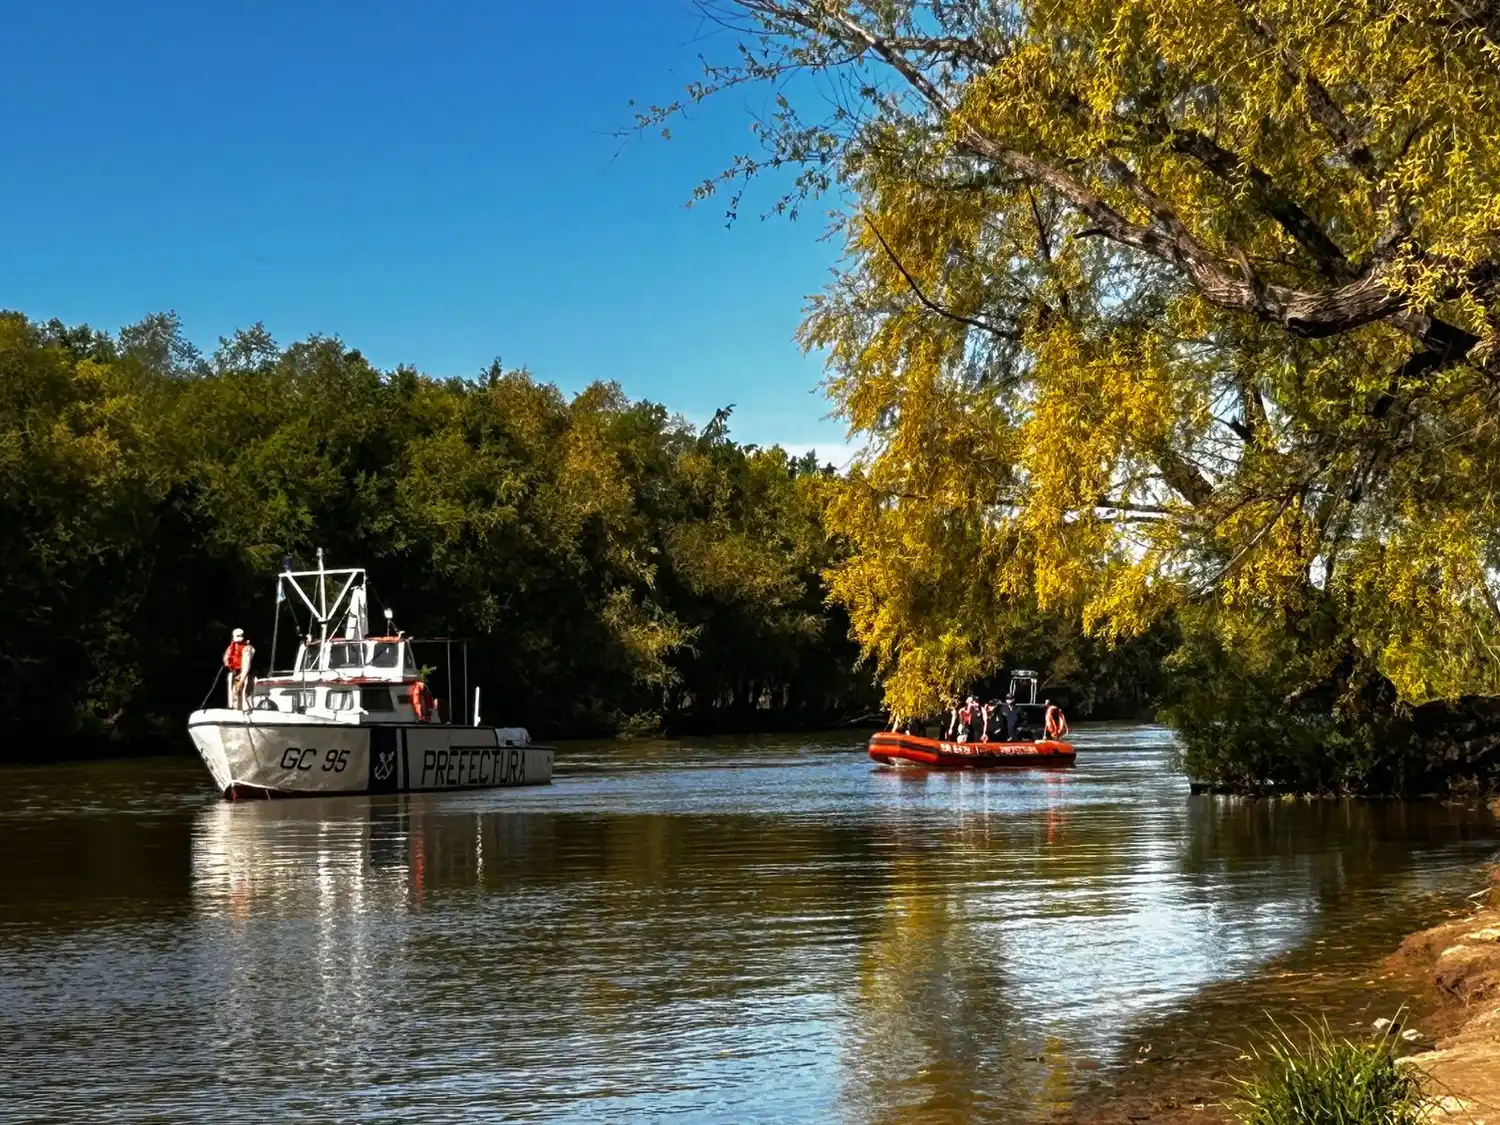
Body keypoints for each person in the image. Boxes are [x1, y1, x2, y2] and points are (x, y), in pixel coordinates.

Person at [223, 629, 247, 708]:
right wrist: (230, 667)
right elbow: (227, 658)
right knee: (235, 689)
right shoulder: (232, 646)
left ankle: (242, 705)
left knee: (244, 688)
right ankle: (235, 705)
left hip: (244, 670)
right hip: (236, 671)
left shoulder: (246, 646)